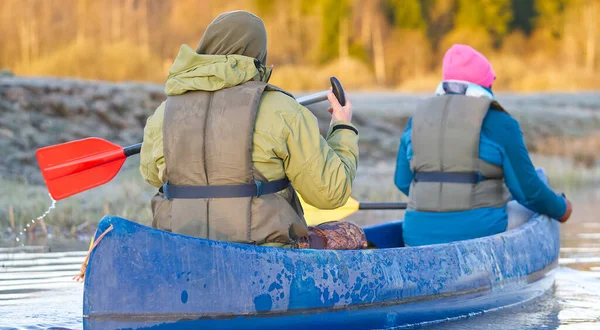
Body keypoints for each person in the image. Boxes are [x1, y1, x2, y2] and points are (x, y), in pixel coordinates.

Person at [139, 11, 366, 250]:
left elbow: (151, 174)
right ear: (258, 54)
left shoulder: (164, 113)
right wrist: (341, 127)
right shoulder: (282, 110)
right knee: (352, 234)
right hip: (265, 258)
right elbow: (331, 192)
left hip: (181, 252)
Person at [394, 44, 573, 247]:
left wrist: (439, 200)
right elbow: (528, 192)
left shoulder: (416, 118)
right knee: (541, 212)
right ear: (485, 85)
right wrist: (562, 208)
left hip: (416, 235)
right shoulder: (499, 122)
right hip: (479, 233)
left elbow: (402, 181)